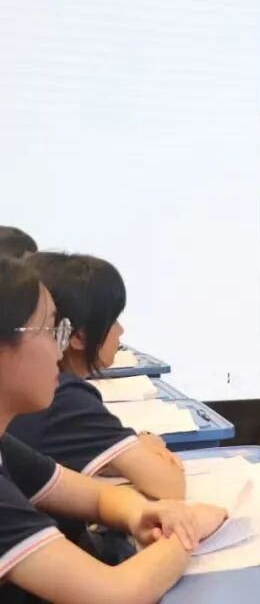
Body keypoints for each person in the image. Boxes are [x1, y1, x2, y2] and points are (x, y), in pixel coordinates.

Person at [0, 255, 225, 603]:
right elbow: (116, 593)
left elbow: (98, 496)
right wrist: (188, 528)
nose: (59, 348)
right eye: (49, 330)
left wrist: (143, 513)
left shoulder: (5, 447)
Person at [9, 253, 184, 505]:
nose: (121, 330)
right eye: (49, 330)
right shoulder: (64, 397)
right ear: (78, 337)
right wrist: (142, 443)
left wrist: (120, 454)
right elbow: (170, 485)